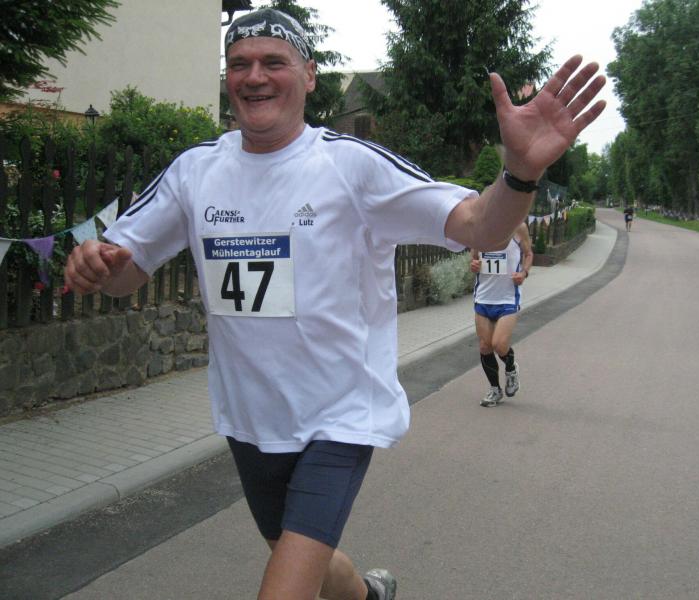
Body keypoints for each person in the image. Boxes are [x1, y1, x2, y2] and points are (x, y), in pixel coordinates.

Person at [64, 8, 606, 600]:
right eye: (240, 64)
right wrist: (96, 266)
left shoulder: (350, 166)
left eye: (274, 62)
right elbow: (126, 271)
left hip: (338, 418)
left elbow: (480, 225)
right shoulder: (195, 172)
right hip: (250, 419)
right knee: (307, 562)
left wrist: (519, 174)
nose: (254, 76)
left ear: (309, 74)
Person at [470, 219, 534, 407]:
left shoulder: (518, 227)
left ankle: (511, 369)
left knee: (499, 344)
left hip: (507, 297)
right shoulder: (479, 228)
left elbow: (529, 254)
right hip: (483, 297)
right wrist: (474, 265)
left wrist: (524, 273)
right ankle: (495, 390)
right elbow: (474, 257)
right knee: (485, 346)